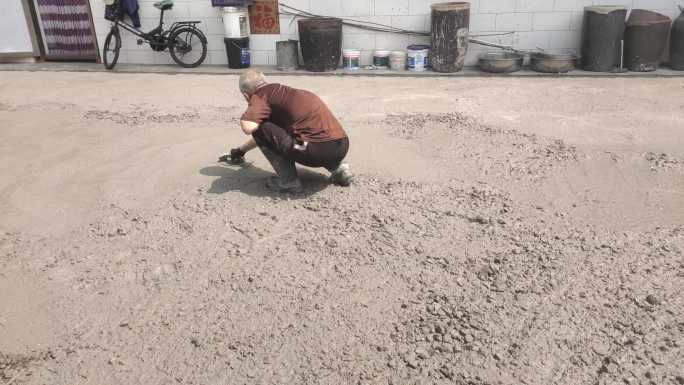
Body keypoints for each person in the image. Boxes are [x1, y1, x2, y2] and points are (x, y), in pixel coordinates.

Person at [220, 70, 352, 193]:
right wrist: (240, 151)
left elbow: (249, 128)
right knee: (303, 135)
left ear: (245, 95)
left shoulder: (260, 97)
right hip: (341, 145)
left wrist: (249, 112)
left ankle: (288, 182)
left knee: (260, 127)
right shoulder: (286, 94)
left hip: (315, 151)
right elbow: (273, 137)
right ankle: (339, 169)